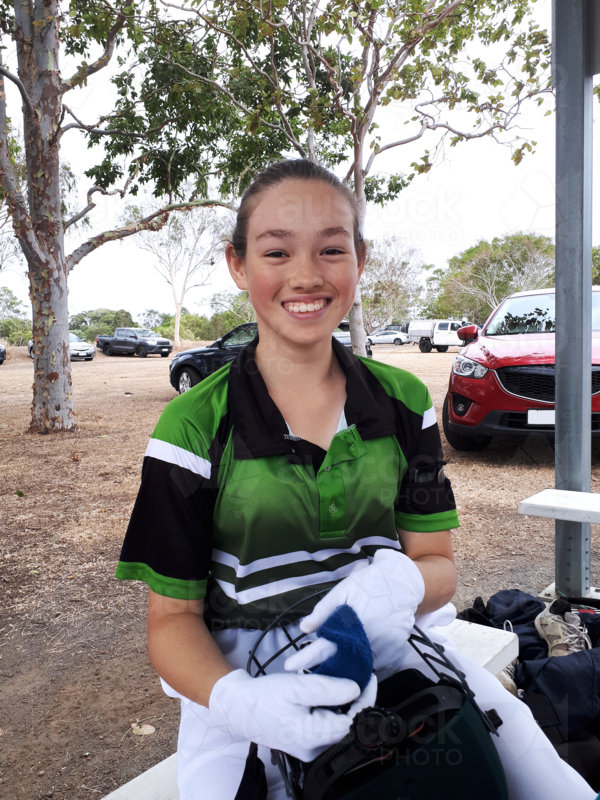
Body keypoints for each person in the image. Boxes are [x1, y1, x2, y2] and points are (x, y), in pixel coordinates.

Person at [115, 160, 595, 800]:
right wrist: (238, 701)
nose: (306, 275)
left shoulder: (402, 402)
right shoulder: (192, 426)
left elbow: (437, 565)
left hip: (390, 646)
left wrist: (398, 585)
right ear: (238, 265)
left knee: (541, 779)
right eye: (276, 251)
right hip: (242, 683)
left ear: (360, 260)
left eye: (331, 249)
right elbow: (172, 620)